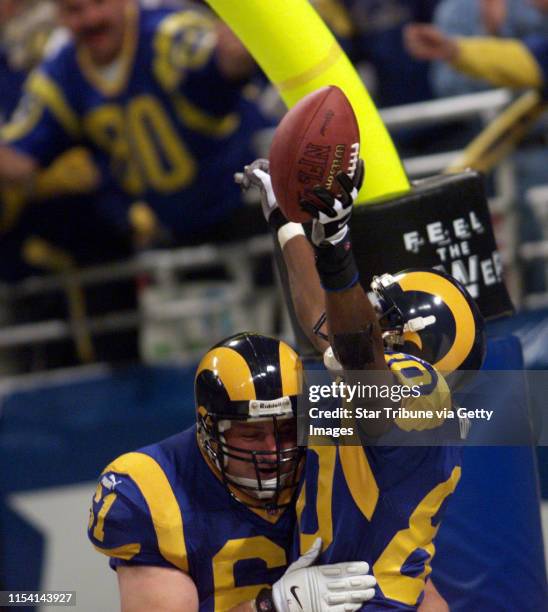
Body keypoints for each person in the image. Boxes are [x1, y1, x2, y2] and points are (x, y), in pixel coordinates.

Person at [237, 158, 486, 610]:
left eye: (381, 315)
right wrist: (287, 224)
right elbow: (324, 324)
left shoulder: (421, 390)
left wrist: (336, 249)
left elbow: (357, 351)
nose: (368, 313)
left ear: (415, 336)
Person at [87, 331, 377, 612]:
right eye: (251, 434)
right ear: (209, 429)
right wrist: (271, 607)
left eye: (288, 430)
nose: (273, 450)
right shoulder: (153, 486)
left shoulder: (341, 452)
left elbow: (418, 408)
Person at [0, 0, 269, 247]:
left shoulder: (168, 32)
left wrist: (237, 48)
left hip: (249, 213)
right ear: (58, 15)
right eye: (75, 10)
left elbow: (221, 58)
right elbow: (20, 158)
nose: (93, 18)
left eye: (100, 2)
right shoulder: (59, 73)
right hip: (167, 235)